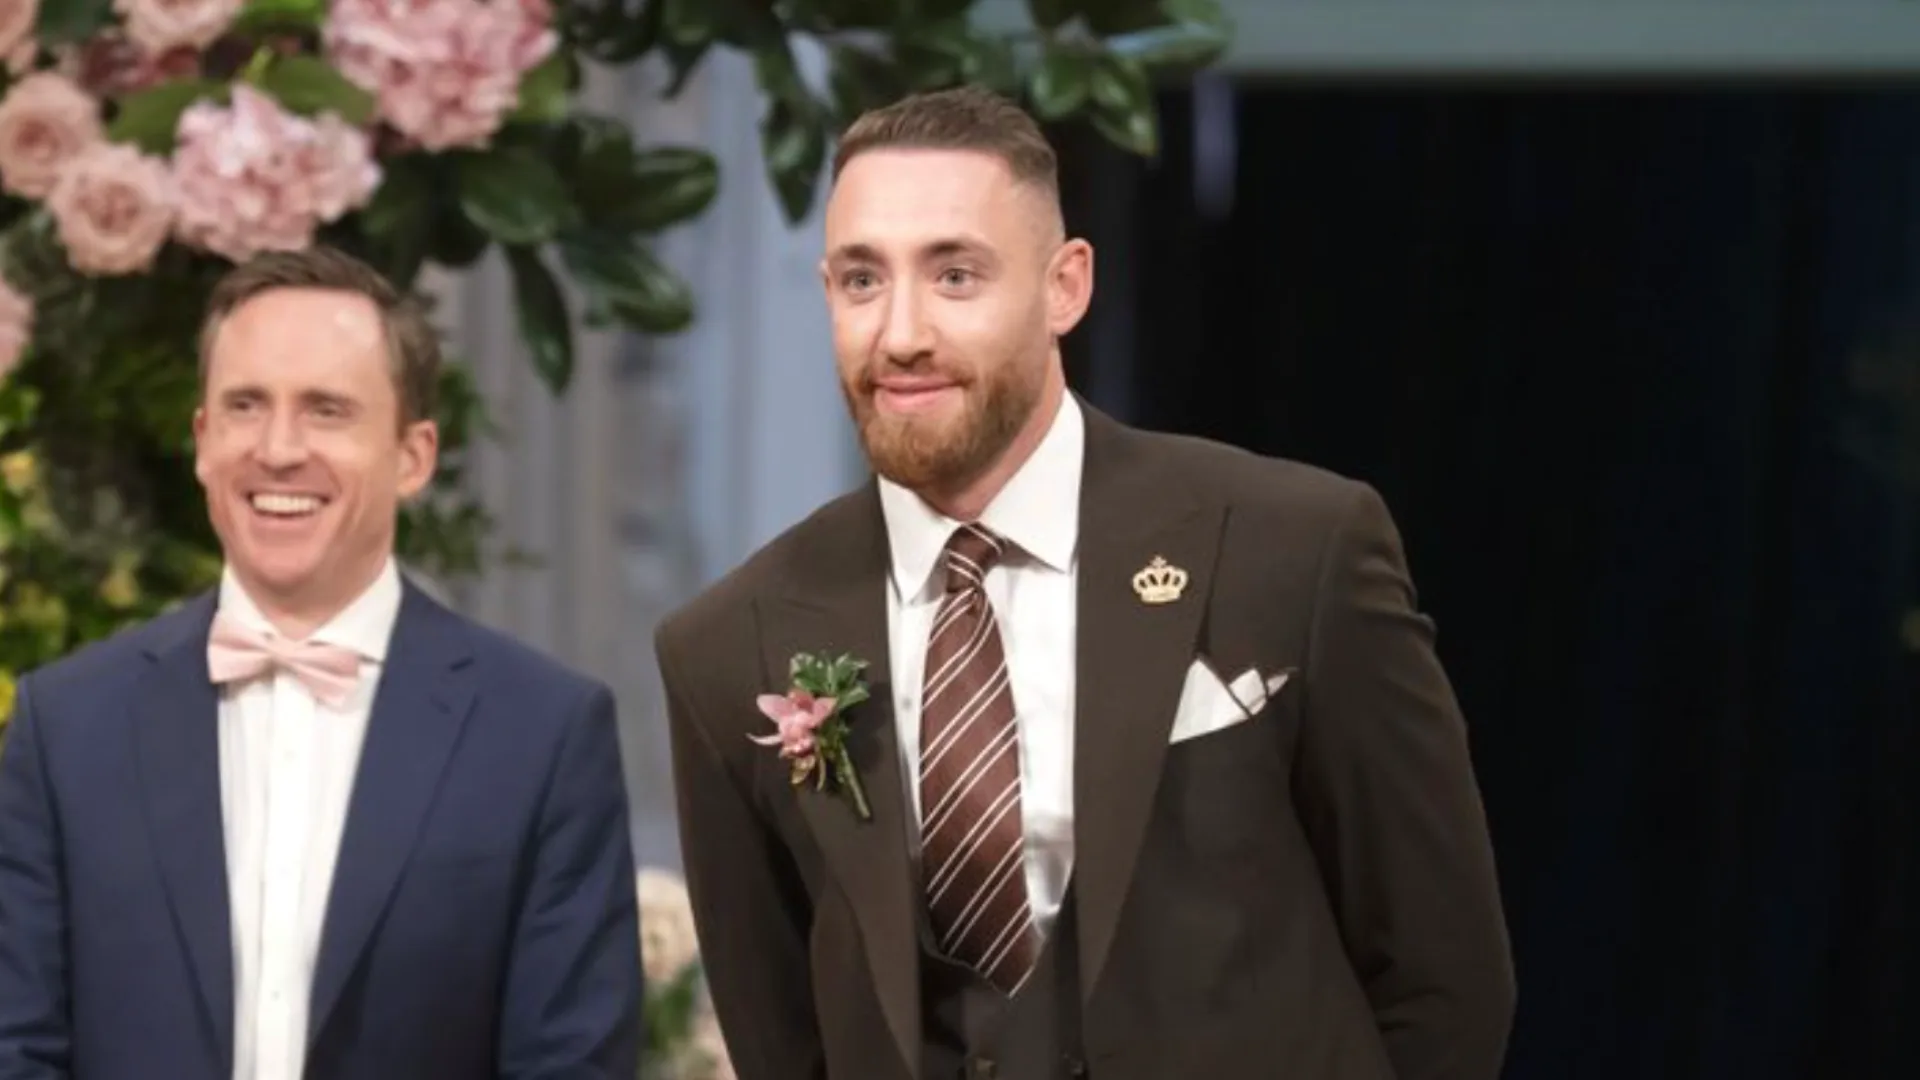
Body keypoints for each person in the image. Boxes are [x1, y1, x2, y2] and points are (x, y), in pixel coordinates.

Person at [657, 85, 1515, 1080]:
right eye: (862, 279)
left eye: (955, 275)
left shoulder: (1295, 551)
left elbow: (1446, 981)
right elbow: (781, 1042)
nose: (900, 333)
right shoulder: (730, 647)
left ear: (1065, 286)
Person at [0, 247, 641, 1079]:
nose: (278, 448)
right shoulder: (66, 726)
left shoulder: (543, 734)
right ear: (202, 441)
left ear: (413, 457)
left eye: (327, 410)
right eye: (245, 405)